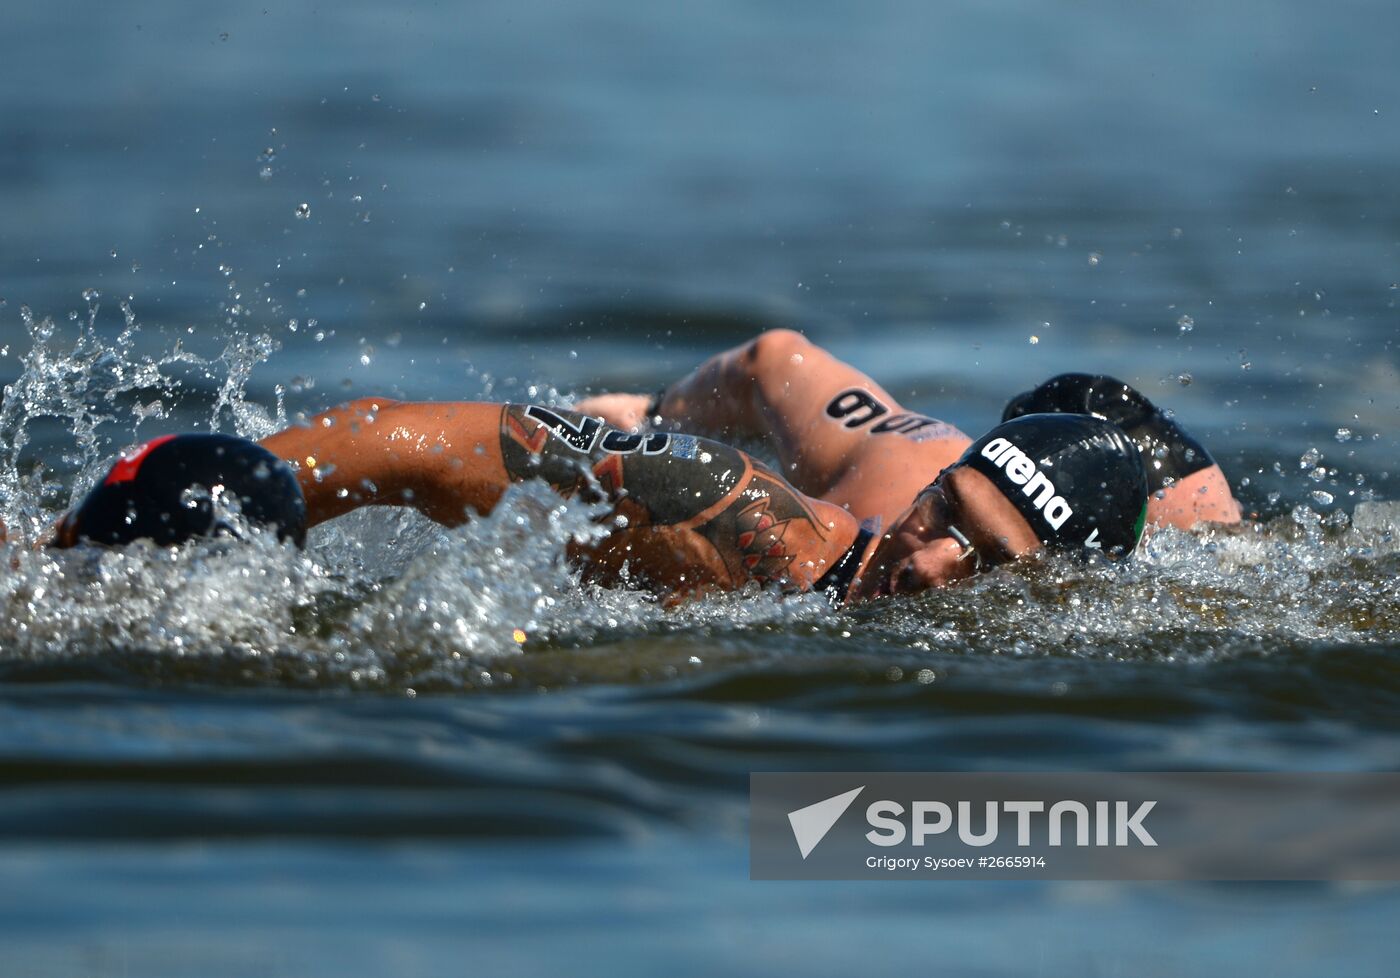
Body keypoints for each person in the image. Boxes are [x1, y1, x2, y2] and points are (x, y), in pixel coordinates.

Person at [49, 330, 1235, 605]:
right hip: (893, 445)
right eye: (946, 518)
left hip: (1137, 530)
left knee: (1216, 542)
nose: (923, 563)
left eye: (982, 558)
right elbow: (465, 438)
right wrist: (261, 474)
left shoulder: (1111, 601)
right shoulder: (787, 519)